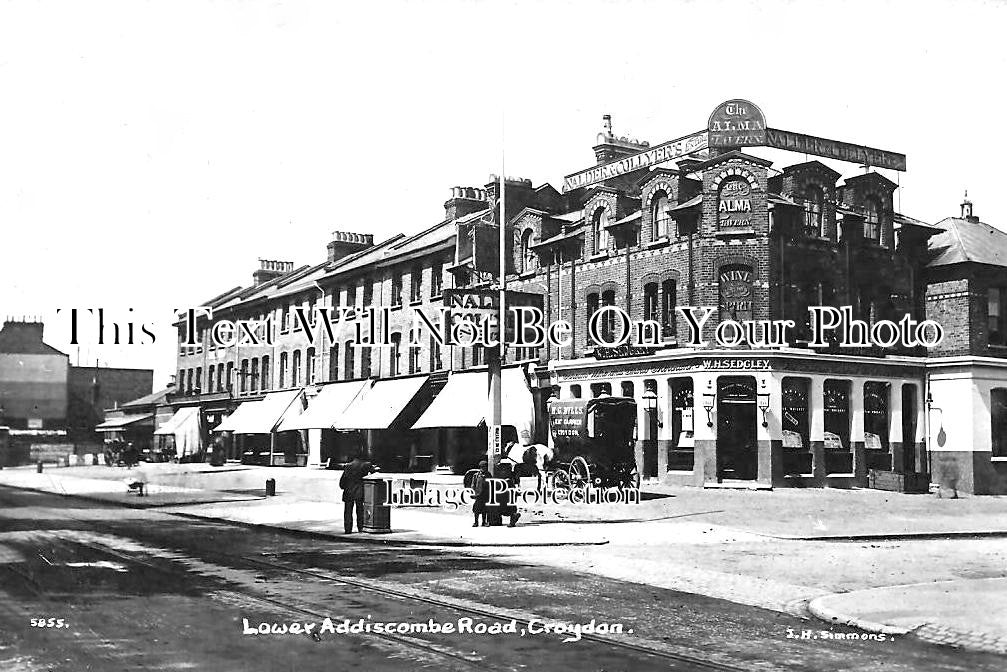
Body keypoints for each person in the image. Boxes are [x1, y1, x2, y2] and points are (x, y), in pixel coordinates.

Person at [339, 451, 374, 534]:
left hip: (348, 491)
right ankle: (360, 527)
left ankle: (348, 529)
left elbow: (343, 481)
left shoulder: (348, 466)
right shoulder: (366, 465)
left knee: (347, 511)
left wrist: (343, 487)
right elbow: (373, 473)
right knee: (360, 510)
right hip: (360, 491)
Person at [465, 460, 491, 527]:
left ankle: (484, 522)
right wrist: (473, 493)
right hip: (478, 494)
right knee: (476, 509)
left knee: (484, 509)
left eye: (485, 467)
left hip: (486, 494)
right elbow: (473, 484)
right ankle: (476, 522)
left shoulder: (488, 475)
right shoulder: (476, 475)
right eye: (482, 467)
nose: (484, 468)